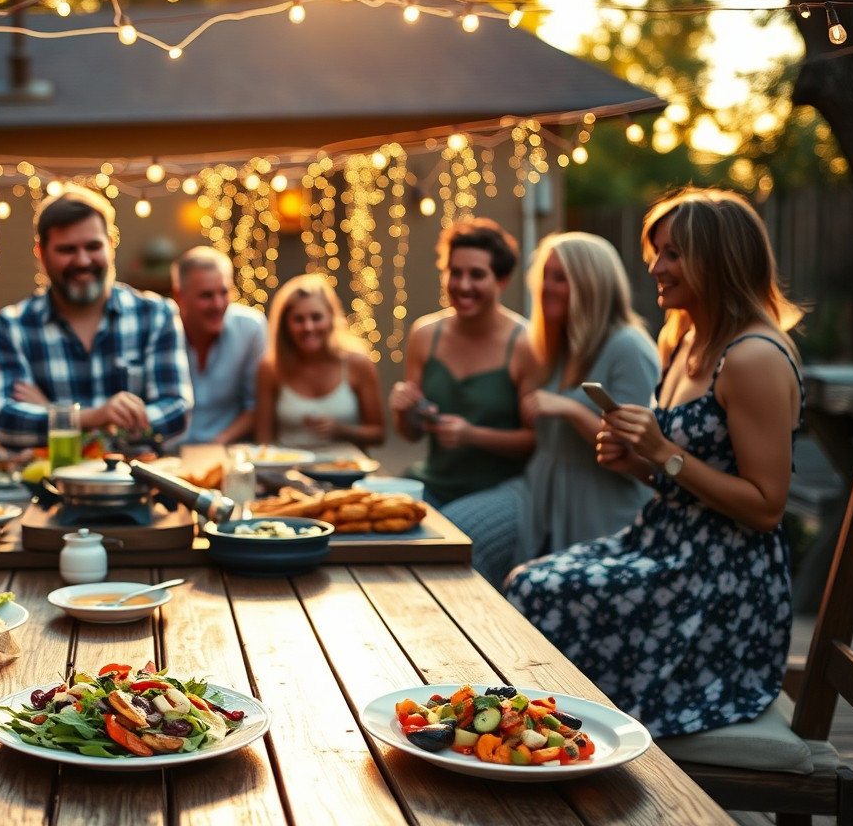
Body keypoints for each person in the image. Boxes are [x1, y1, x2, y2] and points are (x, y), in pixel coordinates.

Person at [504, 188, 804, 739]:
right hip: (660, 544)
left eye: (672, 253)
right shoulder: (686, 341)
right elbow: (676, 481)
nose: (654, 266)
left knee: (540, 592)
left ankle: (570, 745)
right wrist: (633, 462)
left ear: (717, 260)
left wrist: (663, 453)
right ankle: (549, 742)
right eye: (656, 251)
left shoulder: (753, 357)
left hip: (721, 579)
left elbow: (766, 509)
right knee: (530, 580)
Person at [438, 233, 659, 585]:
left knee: (538, 590)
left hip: (600, 502)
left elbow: (634, 450)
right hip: (537, 490)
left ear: (592, 285)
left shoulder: (628, 347)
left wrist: (569, 409)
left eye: (561, 278)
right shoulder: (556, 343)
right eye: (544, 277)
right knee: (455, 532)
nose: (546, 288)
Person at [0, 184, 192, 446]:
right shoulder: (11, 327)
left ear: (111, 245)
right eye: (67, 250)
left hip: (137, 484)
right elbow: (6, 423)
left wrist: (55, 414)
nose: (82, 261)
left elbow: (176, 414)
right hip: (47, 485)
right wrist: (94, 417)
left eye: (93, 246)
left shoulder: (157, 315)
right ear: (41, 254)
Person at [388, 218, 538, 506]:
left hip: (502, 491)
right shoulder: (424, 334)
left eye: (477, 275)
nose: (463, 285)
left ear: (502, 280)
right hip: (432, 482)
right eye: (454, 273)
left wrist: (472, 435)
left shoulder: (525, 343)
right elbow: (411, 434)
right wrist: (404, 410)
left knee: (446, 540)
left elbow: (536, 442)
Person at [255, 273, 385, 450]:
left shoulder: (358, 363)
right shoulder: (271, 367)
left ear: (331, 317)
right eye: (298, 319)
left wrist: (342, 430)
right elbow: (264, 441)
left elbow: (379, 434)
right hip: (291, 471)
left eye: (316, 317)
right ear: (285, 325)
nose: (308, 327)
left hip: (346, 470)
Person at [172, 247, 267, 445]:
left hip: (228, 452)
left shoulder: (251, 327)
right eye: (206, 295)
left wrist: (216, 444)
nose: (218, 304)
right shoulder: (160, 329)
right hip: (168, 454)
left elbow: (256, 406)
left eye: (224, 292)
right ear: (179, 296)